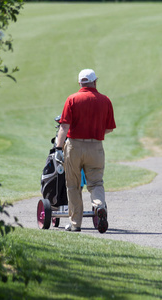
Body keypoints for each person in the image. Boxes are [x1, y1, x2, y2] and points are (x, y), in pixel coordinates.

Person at [55, 69, 116, 233]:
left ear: (80, 83)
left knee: (73, 186)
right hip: (95, 147)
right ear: (95, 82)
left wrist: (58, 148)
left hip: (74, 146)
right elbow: (109, 128)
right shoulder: (105, 100)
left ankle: (75, 224)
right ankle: (99, 206)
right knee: (96, 183)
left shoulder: (72, 99)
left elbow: (64, 126)